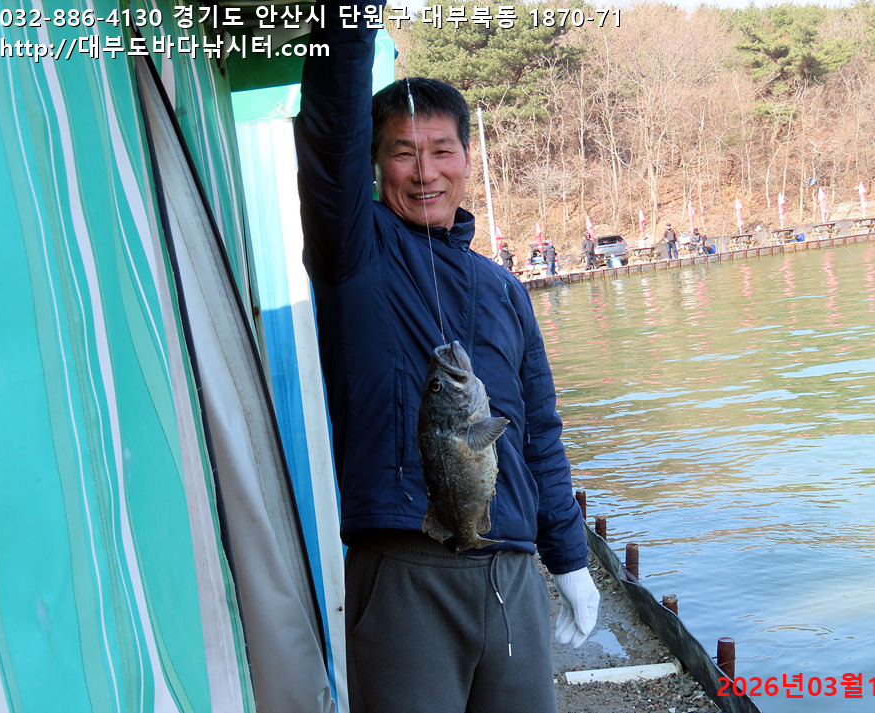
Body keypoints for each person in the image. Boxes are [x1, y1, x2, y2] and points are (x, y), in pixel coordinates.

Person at [294, 4, 599, 712]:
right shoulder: (356, 256)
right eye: (403, 152)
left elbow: (540, 435)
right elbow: (329, 132)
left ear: (467, 158)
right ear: (375, 165)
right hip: (406, 569)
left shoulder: (506, 289)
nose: (425, 171)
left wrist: (569, 557)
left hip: (512, 575)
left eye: (442, 150)